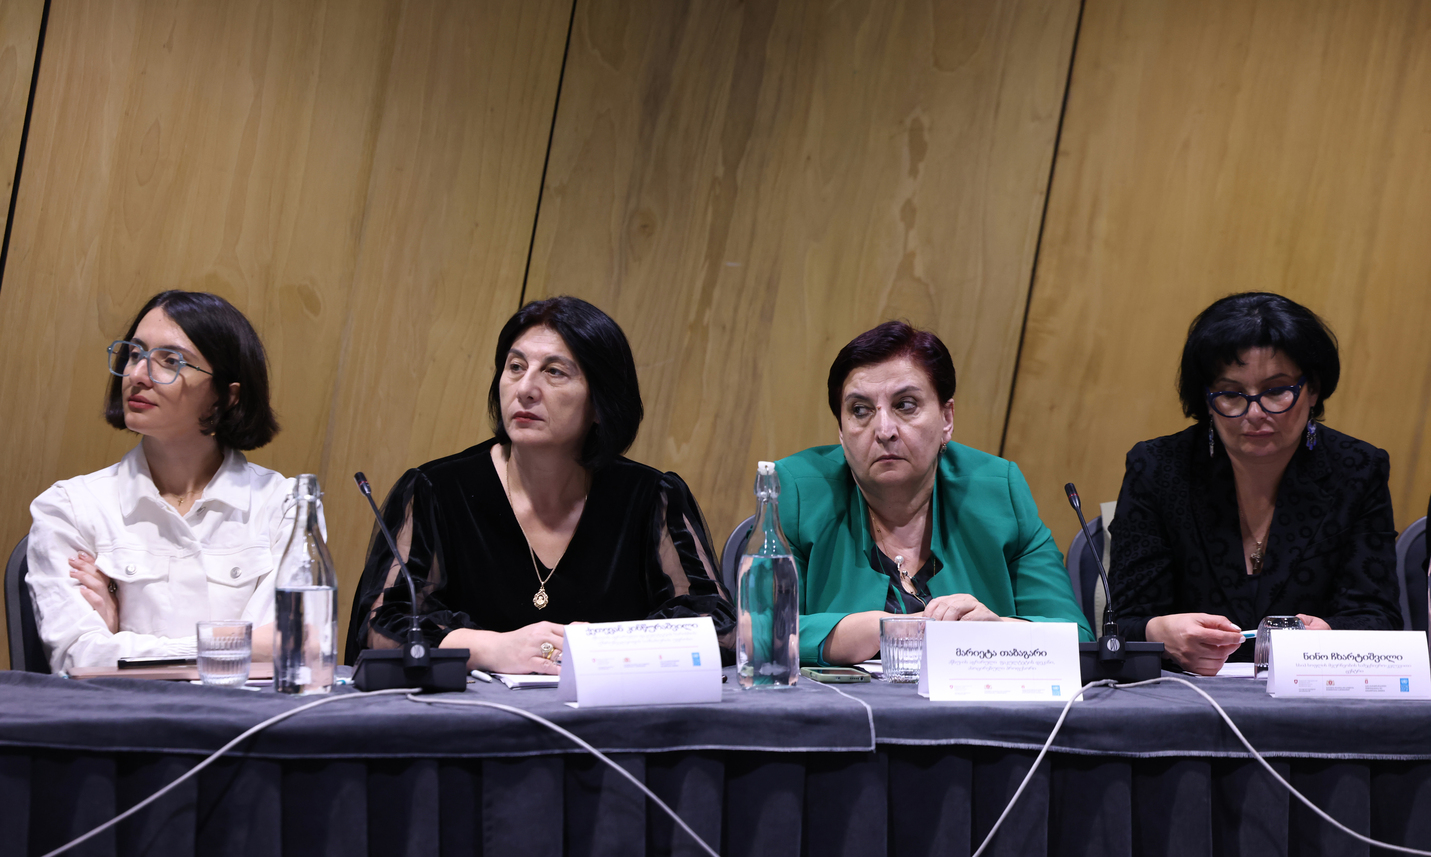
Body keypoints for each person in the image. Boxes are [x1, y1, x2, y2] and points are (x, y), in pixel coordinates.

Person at [344, 296, 734, 674]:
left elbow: (718, 629)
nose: (525, 388)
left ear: (600, 403)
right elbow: (380, 627)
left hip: (608, 714)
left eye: (554, 372)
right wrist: (491, 648)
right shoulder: (437, 490)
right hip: (472, 714)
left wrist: (605, 647)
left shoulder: (650, 497)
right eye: (515, 367)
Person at [1109, 292, 1401, 675]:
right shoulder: (1158, 468)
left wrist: (1332, 637)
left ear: (1312, 389)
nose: (1255, 412)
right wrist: (1158, 634)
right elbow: (1123, 623)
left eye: (1276, 391)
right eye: (1231, 395)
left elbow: (1378, 617)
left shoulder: (1358, 469)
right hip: (1186, 693)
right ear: (1207, 399)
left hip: (1313, 695)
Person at [773, 321, 1093, 667]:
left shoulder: (999, 491)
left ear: (946, 419)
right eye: (860, 410)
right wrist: (871, 631)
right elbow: (755, 630)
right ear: (840, 429)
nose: (884, 430)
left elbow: (1076, 638)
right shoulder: (799, 491)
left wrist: (999, 631)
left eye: (905, 405)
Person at [27, 291, 292, 673]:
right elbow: (78, 659)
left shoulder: (284, 505)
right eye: (135, 354)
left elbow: (286, 652)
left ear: (226, 396)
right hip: (121, 712)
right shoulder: (68, 507)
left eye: (170, 361)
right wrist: (237, 646)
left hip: (246, 711)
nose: (137, 375)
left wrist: (121, 643)